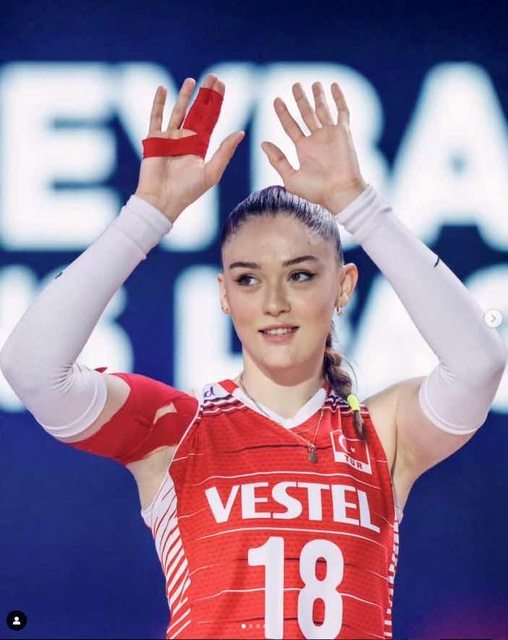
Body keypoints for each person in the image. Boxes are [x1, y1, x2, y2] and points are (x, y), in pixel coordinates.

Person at [0, 73, 506, 640]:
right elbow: (32, 369)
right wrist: (147, 213)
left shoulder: (382, 433)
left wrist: (358, 205)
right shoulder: (176, 430)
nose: (273, 302)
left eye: (300, 275)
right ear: (224, 294)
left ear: (343, 286)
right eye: (248, 279)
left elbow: (478, 363)